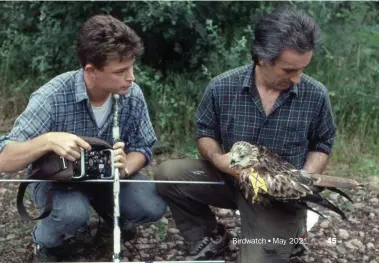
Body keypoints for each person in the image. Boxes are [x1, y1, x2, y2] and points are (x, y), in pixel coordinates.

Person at [155, 6, 336, 263]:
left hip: (277, 196)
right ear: (262, 58)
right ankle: (209, 236)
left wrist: (302, 180)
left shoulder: (316, 95)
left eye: (302, 69)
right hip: (228, 180)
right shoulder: (222, 86)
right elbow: (205, 132)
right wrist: (218, 159)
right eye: (288, 70)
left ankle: (292, 234)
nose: (297, 79)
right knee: (167, 174)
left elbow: (322, 142)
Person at [0, 14, 167, 262]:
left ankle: (110, 215)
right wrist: (47, 141)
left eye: (132, 67)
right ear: (91, 71)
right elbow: (4, 159)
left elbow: (143, 146)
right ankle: (44, 242)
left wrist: (125, 168)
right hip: (56, 181)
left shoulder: (131, 94)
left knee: (151, 206)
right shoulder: (52, 96)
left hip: (108, 177)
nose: (131, 77)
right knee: (71, 214)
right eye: (121, 71)